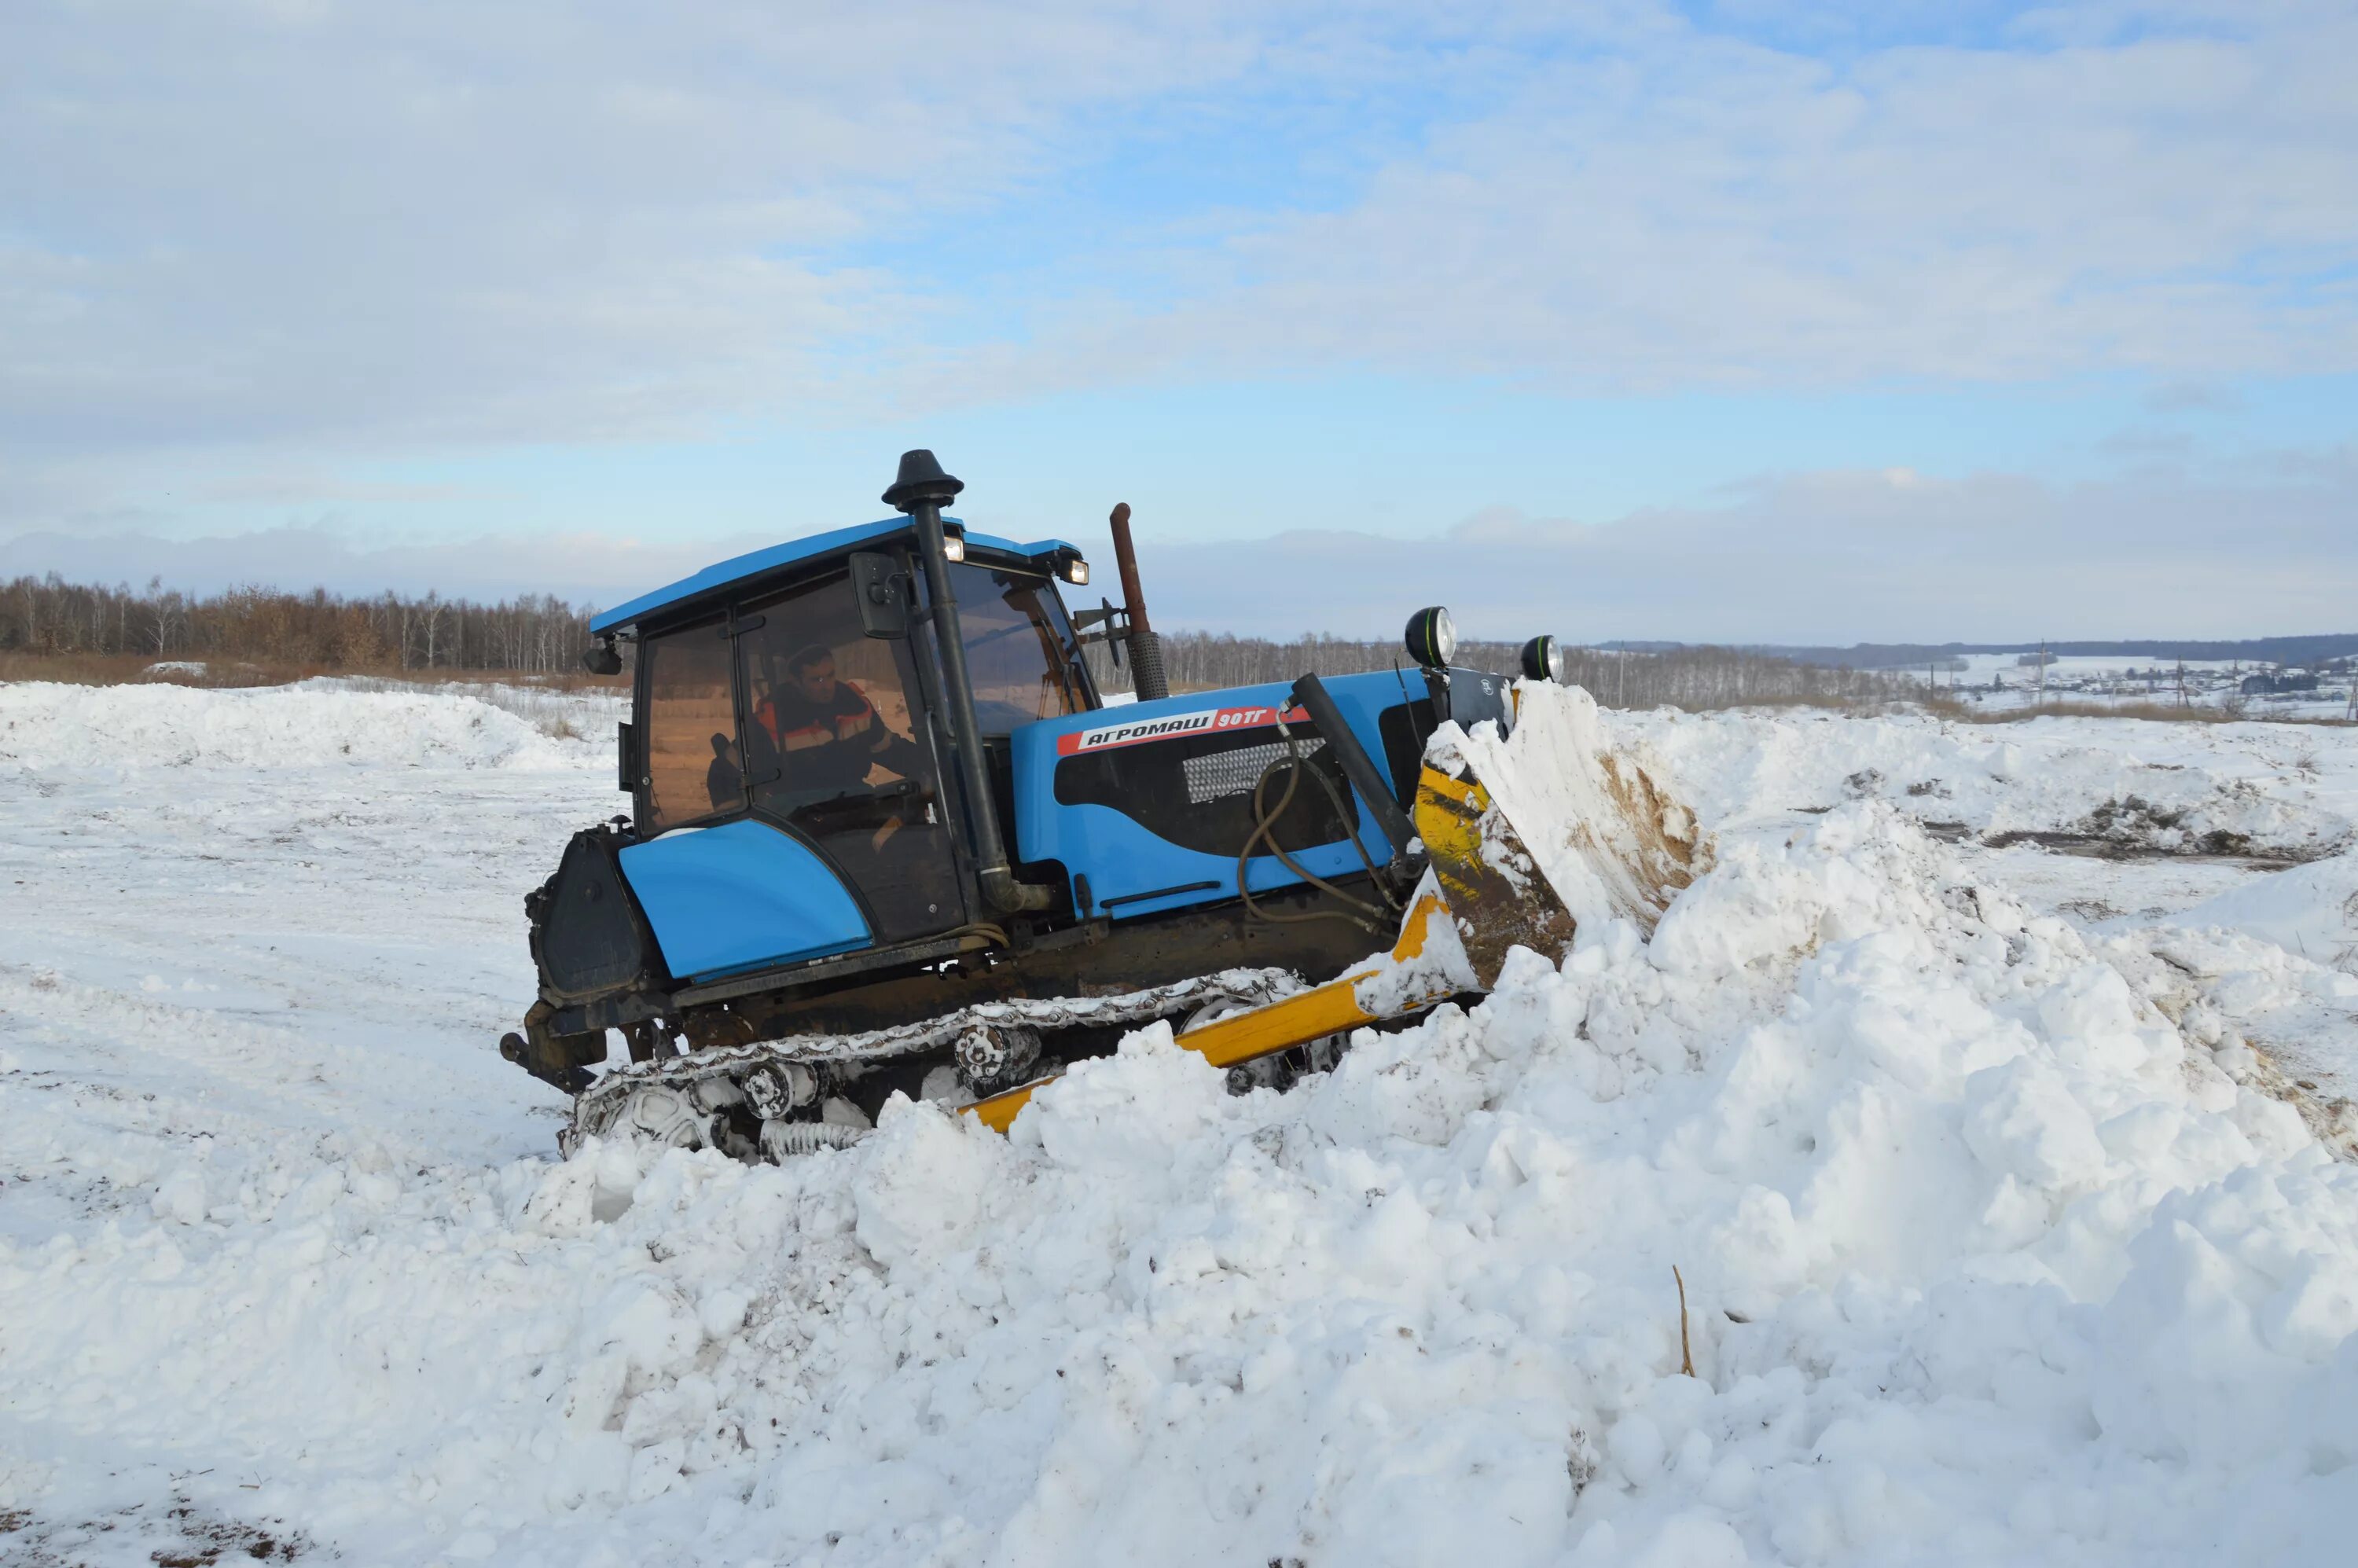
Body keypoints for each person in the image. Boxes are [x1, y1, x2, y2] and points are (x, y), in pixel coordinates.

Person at [750, 644, 927, 802]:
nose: (827, 686)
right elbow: (737, 775)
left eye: (830, 675)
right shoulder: (770, 720)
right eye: (817, 680)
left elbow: (891, 750)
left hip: (855, 803)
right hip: (797, 818)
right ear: (796, 682)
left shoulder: (855, 707)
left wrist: (932, 769)